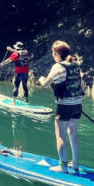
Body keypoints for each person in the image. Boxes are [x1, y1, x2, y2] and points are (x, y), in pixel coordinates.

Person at [38, 40, 85, 174]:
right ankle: (75, 164)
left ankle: (63, 167)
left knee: (60, 136)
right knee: (73, 135)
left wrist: (41, 79)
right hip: (77, 106)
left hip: (65, 107)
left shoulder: (58, 67)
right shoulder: (76, 65)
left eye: (53, 53)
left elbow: (46, 84)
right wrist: (75, 100)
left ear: (56, 53)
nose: (53, 55)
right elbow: (82, 86)